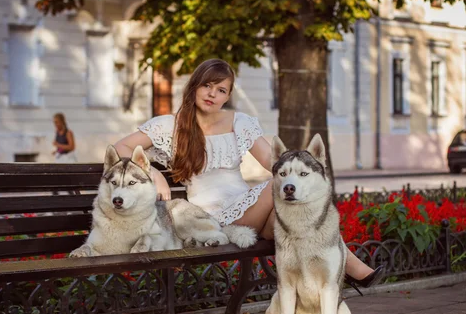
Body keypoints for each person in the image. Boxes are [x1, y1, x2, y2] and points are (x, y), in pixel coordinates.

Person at [114, 58, 383, 288]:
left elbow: (273, 161)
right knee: (276, 188)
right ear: (195, 86)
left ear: (228, 96)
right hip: (211, 216)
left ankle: (339, 276)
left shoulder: (238, 122)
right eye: (207, 85)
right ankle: (354, 271)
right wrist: (154, 175)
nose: (212, 94)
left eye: (221, 90)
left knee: (300, 217)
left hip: (248, 208)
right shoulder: (170, 125)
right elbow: (121, 146)